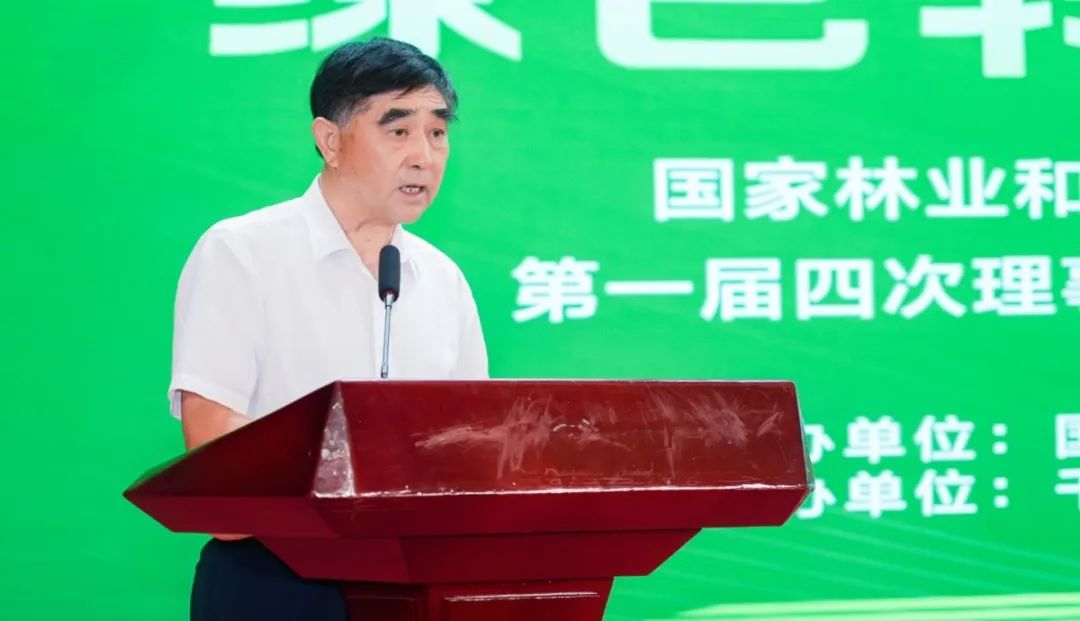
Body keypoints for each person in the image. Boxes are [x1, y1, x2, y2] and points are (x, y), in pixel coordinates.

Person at [168, 37, 488, 620]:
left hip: (415, 584)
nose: (424, 155)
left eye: (438, 132)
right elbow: (215, 453)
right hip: (275, 582)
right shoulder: (242, 253)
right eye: (398, 130)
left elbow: (471, 452)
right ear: (331, 140)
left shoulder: (443, 279)